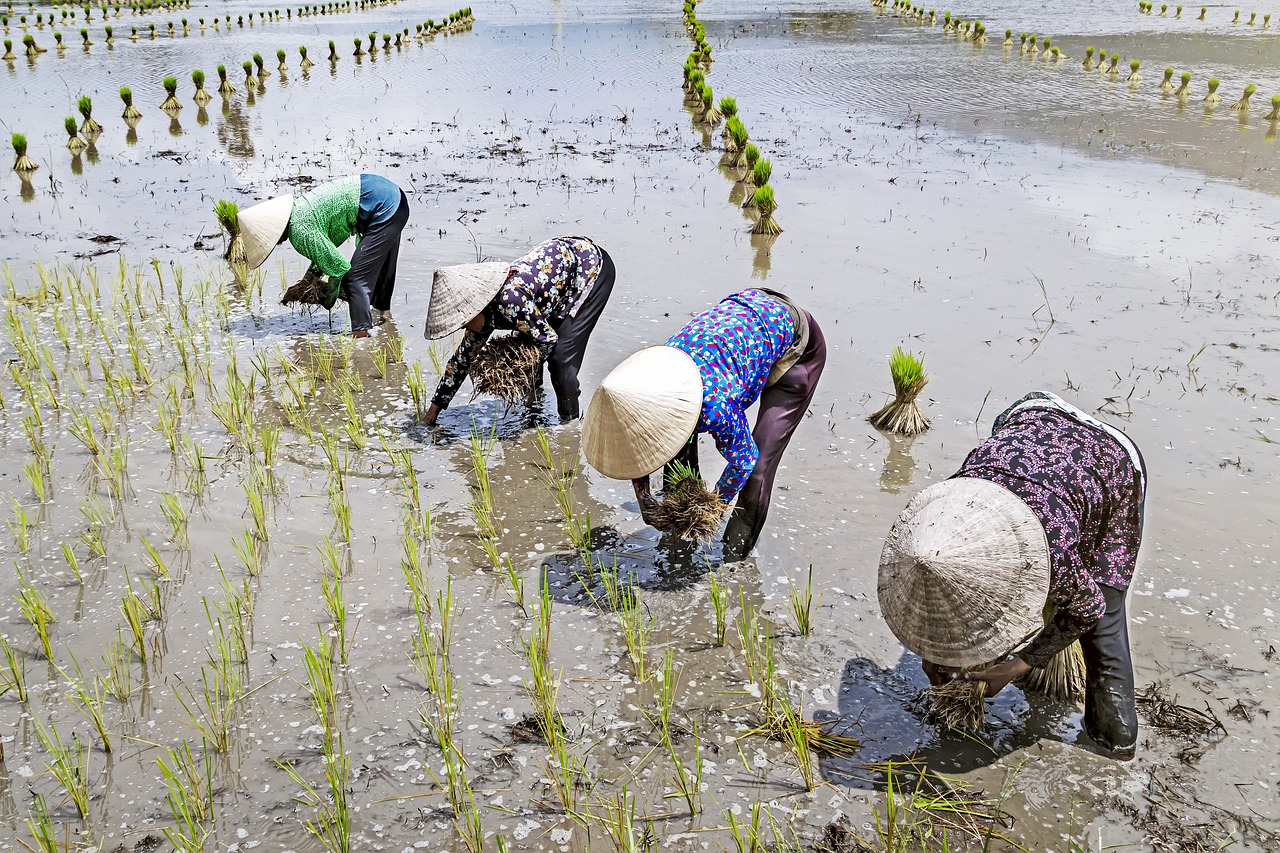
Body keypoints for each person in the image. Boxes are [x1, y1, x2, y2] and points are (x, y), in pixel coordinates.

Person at [877, 390, 1146, 760]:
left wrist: (1016, 667)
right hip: (1027, 419)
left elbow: (1088, 608)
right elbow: (949, 599)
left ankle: (1113, 748)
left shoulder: (1049, 540)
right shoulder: (946, 508)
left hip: (1110, 462)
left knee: (1104, 624)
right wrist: (932, 654)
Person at [581, 288, 826, 561]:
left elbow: (744, 461)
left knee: (758, 468)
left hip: (795, 342)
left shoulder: (713, 405)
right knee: (676, 445)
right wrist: (644, 497)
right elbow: (639, 443)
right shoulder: (646, 381)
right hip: (744, 318)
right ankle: (677, 527)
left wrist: (711, 508)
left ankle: (734, 558)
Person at [422, 236, 615, 424]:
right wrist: (434, 409)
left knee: (560, 359)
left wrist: (512, 366)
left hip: (590, 269)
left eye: (464, 322)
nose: (464, 327)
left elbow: (547, 339)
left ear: (475, 308)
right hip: (555, 282)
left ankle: (570, 424)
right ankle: (533, 408)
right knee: (528, 339)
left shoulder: (510, 301)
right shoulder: (485, 312)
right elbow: (462, 359)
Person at [234, 173, 410, 337]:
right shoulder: (301, 209)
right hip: (394, 199)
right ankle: (386, 321)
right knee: (384, 271)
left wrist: (328, 298)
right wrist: (309, 280)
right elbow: (326, 251)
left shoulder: (299, 230)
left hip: (384, 208)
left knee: (354, 280)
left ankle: (361, 339)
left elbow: (340, 268)